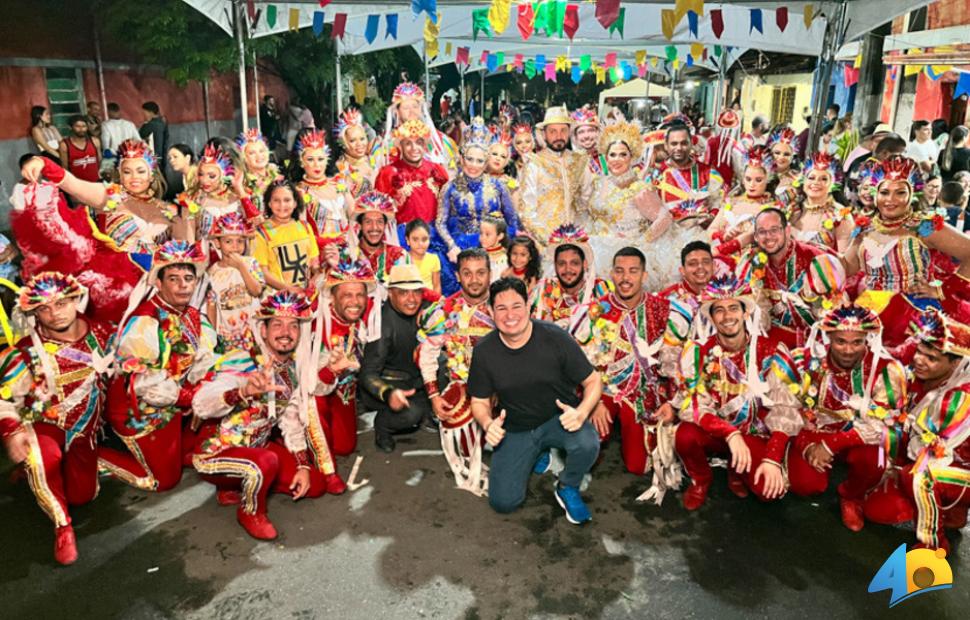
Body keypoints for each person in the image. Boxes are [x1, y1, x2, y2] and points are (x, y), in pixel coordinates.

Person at [192, 291, 344, 541]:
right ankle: (250, 511)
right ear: (263, 330)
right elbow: (201, 404)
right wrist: (243, 391)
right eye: (277, 324)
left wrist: (303, 465)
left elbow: (291, 419)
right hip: (216, 452)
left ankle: (234, 488)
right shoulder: (244, 361)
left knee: (315, 485)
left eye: (293, 325)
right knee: (266, 461)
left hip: (258, 448)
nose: (286, 331)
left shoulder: (290, 370)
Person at [468, 277, 603, 523]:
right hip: (516, 427)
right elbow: (478, 400)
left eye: (516, 306)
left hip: (558, 420)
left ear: (528, 306)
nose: (510, 315)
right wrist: (488, 424)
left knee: (587, 443)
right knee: (503, 503)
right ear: (490, 312)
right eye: (501, 308)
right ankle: (538, 455)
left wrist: (582, 412)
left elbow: (593, 381)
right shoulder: (485, 351)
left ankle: (567, 486)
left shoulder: (555, 338)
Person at [0, 273, 114, 565]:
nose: (55, 313)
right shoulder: (23, 351)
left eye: (62, 303)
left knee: (83, 496)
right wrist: (12, 431)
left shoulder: (103, 333)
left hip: (86, 430)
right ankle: (62, 527)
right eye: (45, 308)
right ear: (34, 312)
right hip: (44, 426)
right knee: (42, 460)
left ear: (76, 300)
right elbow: (5, 399)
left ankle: (42, 476)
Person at [766, 304, 907, 531]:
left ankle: (851, 496)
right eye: (841, 341)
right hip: (813, 431)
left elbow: (882, 425)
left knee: (877, 460)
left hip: (860, 438)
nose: (849, 350)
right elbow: (787, 411)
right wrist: (806, 444)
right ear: (828, 337)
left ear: (867, 340)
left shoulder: (884, 369)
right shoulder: (805, 362)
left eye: (857, 342)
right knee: (805, 485)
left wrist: (831, 445)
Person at [19, 139, 187, 320]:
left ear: (151, 174)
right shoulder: (108, 196)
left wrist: (188, 214)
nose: (134, 177)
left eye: (140, 171)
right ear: (120, 175)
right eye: (127, 172)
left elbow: (184, 248)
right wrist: (43, 163)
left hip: (156, 286)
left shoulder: (167, 209)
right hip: (117, 287)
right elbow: (72, 184)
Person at [99, 241, 218, 491]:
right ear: (159, 283)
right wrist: (191, 398)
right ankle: (92, 456)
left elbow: (205, 359)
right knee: (162, 481)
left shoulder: (193, 315)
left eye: (188, 278)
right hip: (140, 412)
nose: (183, 285)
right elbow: (145, 383)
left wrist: (204, 389)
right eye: (174, 279)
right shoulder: (145, 321)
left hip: (175, 404)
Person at [669, 275, 795, 510]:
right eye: (720, 310)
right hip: (716, 431)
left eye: (733, 308)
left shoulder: (771, 351)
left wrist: (772, 458)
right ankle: (701, 480)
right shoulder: (697, 351)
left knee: (768, 492)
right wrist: (729, 433)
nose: (727, 317)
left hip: (754, 433)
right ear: (712, 317)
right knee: (685, 436)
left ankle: (736, 470)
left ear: (745, 312)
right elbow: (693, 406)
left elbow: (786, 410)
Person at [574, 247, 690, 481]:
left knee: (638, 465)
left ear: (644, 275)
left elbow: (674, 364)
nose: (626, 278)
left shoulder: (663, 310)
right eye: (620, 271)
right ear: (612, 275)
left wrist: (672, 404)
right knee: (585, 447)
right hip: (603, 388)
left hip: (644, 392)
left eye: (633, 271)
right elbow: (583, 363)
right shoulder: (596, 310)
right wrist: (593, 403)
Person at [863, 308, 970, 552]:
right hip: (941, 461)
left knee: (920, 476)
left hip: (956, 469)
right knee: (877, 509)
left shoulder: (960, 398)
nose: (920, 360)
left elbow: (931, 450)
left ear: (955, 363)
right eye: (920, 353)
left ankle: (933, 545)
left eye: (931, 358)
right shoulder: (917, 377)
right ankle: (952, 511)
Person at [846, 156, 970, 345]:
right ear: (875, 193)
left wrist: (941, 290)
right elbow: (848, 266)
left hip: (910, 319)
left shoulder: (924, 227)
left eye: (900, 193)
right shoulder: (865, 228)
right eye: (884, 192)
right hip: (866, 310)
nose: (890, 200)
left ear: (912, 194)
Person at [416, 248, 494, 496]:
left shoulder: (503, 305)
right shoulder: (446, 309)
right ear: (458, 276)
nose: (474, 280)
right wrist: (434, 396)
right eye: (467, 273)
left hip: (507, 387)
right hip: (465, 386)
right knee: (456, 420)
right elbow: (427, 355)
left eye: (481, 273)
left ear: (490, 274)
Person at [584, 121, 693, 292]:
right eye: (612, 155)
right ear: (606, 157)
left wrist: (640, 243)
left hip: (624, 254)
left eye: (622, 155)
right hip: (594, 248)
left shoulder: (639, 188)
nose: (617, 160)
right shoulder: (598, 183)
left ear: (632, 157)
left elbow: (664, 218)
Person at [359, 264, 434, 452]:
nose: (412, 299)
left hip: (417, 380)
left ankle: (427, 410)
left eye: (417, 292)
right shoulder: (382, 324)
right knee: (411, 415)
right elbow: (367, 374)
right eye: (404, 293)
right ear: (391, 293)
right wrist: (389, 393)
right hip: (391, 386)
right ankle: (382, 426)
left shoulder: (427, 311)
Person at [435, 130, 519, 295]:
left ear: (486, 162)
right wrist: (452, 246)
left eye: (479, 161)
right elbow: (440, 222)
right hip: (460, 248)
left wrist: (505, 245)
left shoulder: (498, 186)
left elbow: (512, 220)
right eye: (470, 159)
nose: (474, 165)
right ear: (462, 159)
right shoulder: (450, 187)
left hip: (495, 250)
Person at [312, 257, 379, 456]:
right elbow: (307, 385)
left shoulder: (359, 322)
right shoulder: (318, 327)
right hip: (316, 395)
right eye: (347, 295)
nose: (355, 302)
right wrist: (331, 370)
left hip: (344, 393)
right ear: (332, 297)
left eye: (360, 295)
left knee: (344, 447)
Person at [519, 106, 594, 246]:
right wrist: (550, 239)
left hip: (577, 240)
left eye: (563, 131)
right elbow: (527, 211)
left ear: (569, 133)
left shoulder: (580, 162)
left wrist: (581, 235)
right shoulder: (534, 164)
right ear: (544, 134)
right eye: (552, 131)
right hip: (545, 243)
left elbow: (588, 201)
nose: (558, 136)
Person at [374, 119, 450, 240]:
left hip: (433, 238)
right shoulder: (389, 173)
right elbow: (378, 213)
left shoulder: (436, 170)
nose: (414, 148)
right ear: (401, 146)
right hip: (403, 238)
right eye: (408, 143)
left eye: (419, 142)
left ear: (425, 145)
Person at [205, 213, 265, 352]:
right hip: (229, 338)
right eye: (228, 241)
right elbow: (211, 307)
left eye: (240, 241)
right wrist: (212, 338)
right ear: (217, 243)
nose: (235, 246)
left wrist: (241, 266)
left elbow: (256, 291)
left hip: (255, 332)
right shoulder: (212, 272)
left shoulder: (251, 264)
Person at [534, 225, 610, 330]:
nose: (568, 269)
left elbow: (610, 329)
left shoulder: (599, 289)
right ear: (555, 265)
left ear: (584, 264)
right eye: (561, 263)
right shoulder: (545, 289)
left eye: (574, 263)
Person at [179, 144, 258, 244]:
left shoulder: (240, 197)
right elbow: (189, 239)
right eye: (200, 174)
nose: (204, 180)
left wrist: (239, 189)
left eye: (211, 176)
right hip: (207, 255)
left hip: (238, 253)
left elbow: (256, 224)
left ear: (223, 175)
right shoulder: (192, 200)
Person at [652, 123, 723, 231]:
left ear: (691, 144)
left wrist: (712, 216)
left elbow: (719, 202)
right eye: (674, 144)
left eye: (684, 143)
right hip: (669, 237)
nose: (679, 148)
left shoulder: (709, 172)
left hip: (702, 236)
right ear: (666, 146)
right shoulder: (655, 176)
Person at [708, 146, 782, 246]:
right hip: (718, 252)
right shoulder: (731, 201)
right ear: (743, 179)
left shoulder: (772, 208)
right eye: (748, 179)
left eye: (758, 180)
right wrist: (722, 236)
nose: (752, 184)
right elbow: (710, 230)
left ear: (767, 180)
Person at [790, 152, 854, 253]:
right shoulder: (792, 209)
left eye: (824, 179)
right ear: (803, 181)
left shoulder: (840, 214)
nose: (816, 182)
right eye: (811, 178)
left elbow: (846, 259)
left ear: (833, 184)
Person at [350, 190, 408, 286]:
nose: (374, 227)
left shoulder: (398, 255)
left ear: (385, 225)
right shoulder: (349, 256)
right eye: (368, 222)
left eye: (379, 222)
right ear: (360, 225)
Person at [334, 109, 376, 197]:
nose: (359, 144)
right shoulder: (340, 168)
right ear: (343, 143)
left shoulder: (373, 161)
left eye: (362, 139)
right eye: (352, 141)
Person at [236, 128, 281, 212]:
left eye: (261, 151)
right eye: (252, 153)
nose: (259, 156)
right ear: (244, 158)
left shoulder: (278, 176)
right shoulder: (241, 182)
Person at [100, 102, 141, 173]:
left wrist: (106, 152)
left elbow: (105, 145)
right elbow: (139, 141)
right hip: (129, 157)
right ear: (119, 111)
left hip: (114, 158)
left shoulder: (105, 125)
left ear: (109, 111)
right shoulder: (130, 124)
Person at [58, 115, 101, 183]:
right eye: (77, 126)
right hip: (76, 185)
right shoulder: (64, 145)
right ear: (70, 127)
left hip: (95, 183)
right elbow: (65, 167)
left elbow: (99, 161)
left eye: (84, 126)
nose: (81, 129)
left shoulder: (95, 141)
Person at [405, 219, 441, 294]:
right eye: (415, 239)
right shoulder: (402, 260)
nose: (420, 243)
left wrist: (437, 303)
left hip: (430, 301)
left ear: (429, 239)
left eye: (424, 239)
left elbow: (436, 286)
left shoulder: (433, 259)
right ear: (408, 240)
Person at [766, 128, 800, 205]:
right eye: (777, 153)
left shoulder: (798, 178)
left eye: (786, 154)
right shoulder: (761, 173)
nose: (781, 157)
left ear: (792, 157)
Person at [570, 106, 604, 175]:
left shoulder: (609, 157)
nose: (586, 136)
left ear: (598, 132)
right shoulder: (570, 162)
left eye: (590, 130)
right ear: (575, 137)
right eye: (581, 132)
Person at [479, 215, 510, 282]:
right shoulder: (478, 256)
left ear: (500, 236)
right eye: (481, 233)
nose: (482, 238)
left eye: (487, 234)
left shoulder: (507, 258)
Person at [138, 101, 169, 167]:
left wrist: (145, 124)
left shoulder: (150, 125)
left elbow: (140, 135)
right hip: (162, 156)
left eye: (144, 113)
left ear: (150, 113)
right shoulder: (163, 122)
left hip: (154, 157)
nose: (144, 115)